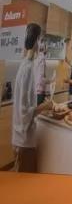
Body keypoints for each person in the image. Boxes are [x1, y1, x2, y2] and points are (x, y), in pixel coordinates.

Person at [12, 23, 49, 173]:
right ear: (36, 41)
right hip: (24, 141)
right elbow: (24, 112)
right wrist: (45, 106)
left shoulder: (26, 65)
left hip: (21, 139)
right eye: (41, 40)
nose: (42, 44)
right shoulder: (27, 69)